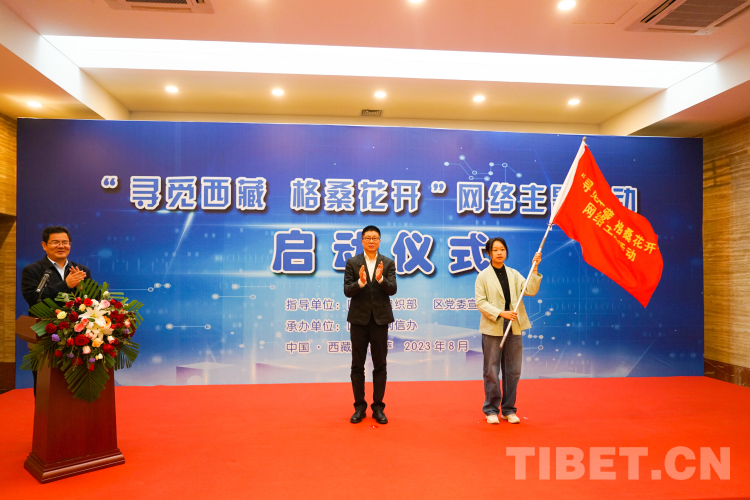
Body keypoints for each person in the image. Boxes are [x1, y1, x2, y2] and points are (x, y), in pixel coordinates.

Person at [474, 237, 541, 425]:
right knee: (491, 370)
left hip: (513, 326)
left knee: (513, 370)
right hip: (493, 326)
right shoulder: (483, 276)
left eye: (502, 249)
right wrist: (500, 313)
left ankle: (509, 410)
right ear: (489, 253)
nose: (499, 253)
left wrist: (535, 268)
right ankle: (491, 409)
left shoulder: (513, 274)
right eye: (495, 250)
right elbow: (480, 302)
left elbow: (530, 290)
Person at [21, 226, 92, 395]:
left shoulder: (80, 270)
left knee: (77, 379)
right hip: (45, 333)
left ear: (70, 245)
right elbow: (33, 298)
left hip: (77, 333)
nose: (61, 246)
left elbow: (92, 300)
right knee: (46, 381)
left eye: (65, 242)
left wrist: (83, 289)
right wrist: (65, 285)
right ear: (44, 245)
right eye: (55, 242)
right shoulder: (33, 270)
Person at [343, 225, 397, 424]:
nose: (371, 241)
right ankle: (359, 407)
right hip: (359, 320)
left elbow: (393, 289)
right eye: (368, 238)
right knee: (357, 365)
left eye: (375, 238)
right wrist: (361, 282)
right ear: (362, 241)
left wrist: (381, 279)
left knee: (380, 365)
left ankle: (378, 408)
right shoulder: (352, 262)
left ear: (380, 241)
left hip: (380, 321)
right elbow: (347, 290)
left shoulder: (388, 263)